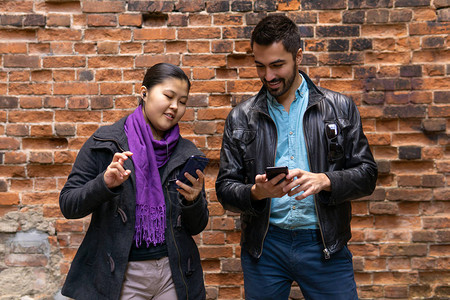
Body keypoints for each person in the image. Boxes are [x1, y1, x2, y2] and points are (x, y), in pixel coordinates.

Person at [215, 15, 378, 300]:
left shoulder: (339, 108)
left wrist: (326, 180)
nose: (268, 76)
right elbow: (225, 188)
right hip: (266, 248)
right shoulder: (240, 117)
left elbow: (367, 175)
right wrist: (256, 192)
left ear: (298, 56)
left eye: (277, 65)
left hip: (325, 245)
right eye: (260, 66)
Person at [59, 63, 209, 300]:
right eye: (168, 96)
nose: (175, 107)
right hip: (121, 275)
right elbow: (68, 204)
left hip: (174, 275)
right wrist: (104, 184)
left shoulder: (186, 153)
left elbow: (197, 226)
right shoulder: (105, 143)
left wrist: (194, 201)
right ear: (144, 92)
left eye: (182, 101)